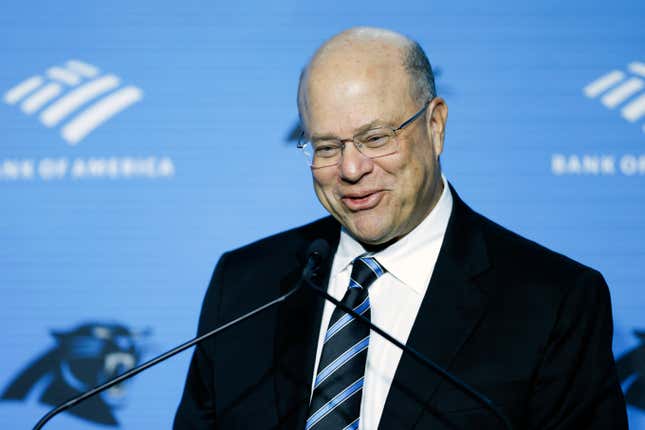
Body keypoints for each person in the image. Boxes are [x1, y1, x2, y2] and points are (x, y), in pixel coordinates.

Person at [174, 27, 627, 429]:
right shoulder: (245, 286)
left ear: (435, 126)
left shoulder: (553, 302)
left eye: (376, 138)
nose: (351, 169)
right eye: (327, 146)